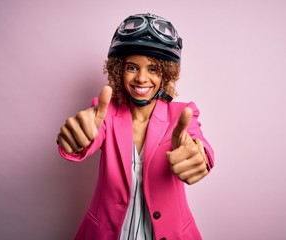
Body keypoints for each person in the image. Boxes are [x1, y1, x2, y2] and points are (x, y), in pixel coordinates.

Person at [57, 13, 214, 240]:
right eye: (132, 67)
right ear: (119, 70)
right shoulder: (106, 112)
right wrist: (75, 142)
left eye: (152, 69)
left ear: (165, 75)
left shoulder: (181, 113)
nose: (141, 78)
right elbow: (90, 133)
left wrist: (199, 156)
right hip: (109, 233)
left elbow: (200, 146)